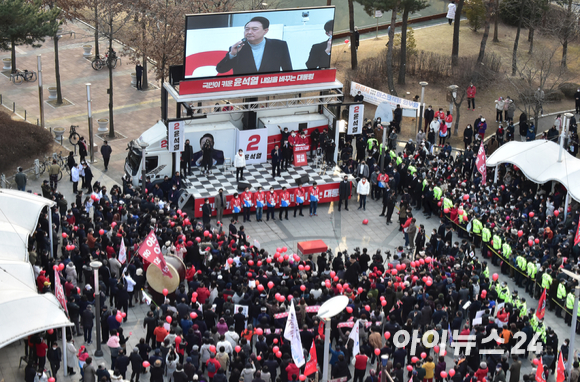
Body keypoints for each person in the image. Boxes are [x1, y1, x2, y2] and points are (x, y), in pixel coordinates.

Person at [216, 17, 292, 76]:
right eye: (247, 29)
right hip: (245, 89)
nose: (249, 32)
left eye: (254, 29)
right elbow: (221, 69)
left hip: (270, 88)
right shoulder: (238, 48)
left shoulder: (279, 46)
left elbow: (288, 70)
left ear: (265, 31)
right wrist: (232, 54)